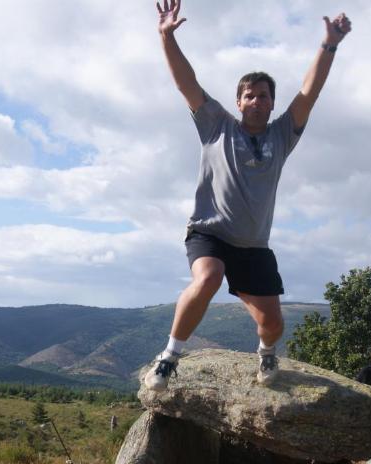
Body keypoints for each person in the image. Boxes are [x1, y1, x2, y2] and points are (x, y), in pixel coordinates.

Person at [144, 0, 352, 391]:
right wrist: (166, 37)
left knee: (272, 324)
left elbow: (310, 92)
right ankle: (170, 356)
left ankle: (266, 353)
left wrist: (330, 45)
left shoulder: (281, 135)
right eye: (250, 95)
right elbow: (185, 82)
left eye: (264, 96)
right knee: (209, 277)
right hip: (210, 233)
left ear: (272, 103)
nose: (257, 101)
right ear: (238, 102)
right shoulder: (216, 125)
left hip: (254, 246)